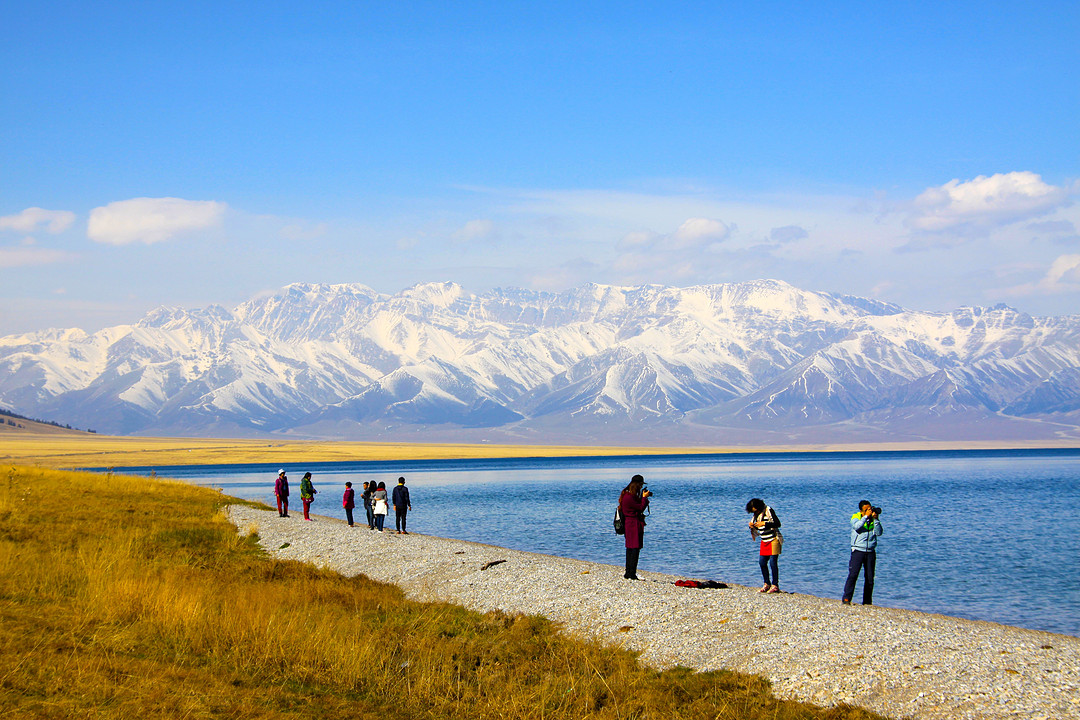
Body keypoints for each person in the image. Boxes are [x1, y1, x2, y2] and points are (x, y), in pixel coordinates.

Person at [843, 500, 884, 605]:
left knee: (870, 578)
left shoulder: (873, 520)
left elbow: (879, 533)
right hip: (858, 550)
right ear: (861, 511)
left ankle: (867, 602)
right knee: (853, 575)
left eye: (870, 509)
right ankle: (847, 599)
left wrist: (876, 520)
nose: (869, 511)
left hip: (870, 551)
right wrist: (865, 517)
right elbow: (856, 527)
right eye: (866, 510)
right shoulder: (855, 517)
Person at [618, 474, 652, 580]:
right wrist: (644, 498)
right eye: (641, 485)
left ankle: (630, 572)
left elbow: (638, 507)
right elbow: (640, 508)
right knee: (634, 549)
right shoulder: (629, 497)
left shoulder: (628, 495)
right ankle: (630, 573)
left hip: (632, 524)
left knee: (631, 548)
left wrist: (643, 497)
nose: (641, 487)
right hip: (633, 524)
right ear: (636, 484)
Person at [746, 498, 782, 593]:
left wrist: (764, 523)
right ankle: (767, 583)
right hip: (764, 540)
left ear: (759, 507)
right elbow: (756, 526)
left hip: (774, 539)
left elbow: (777, 524)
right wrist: (752, 526)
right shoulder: (756, 515)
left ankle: (775, 585)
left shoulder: (768, 510)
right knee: (762, 562)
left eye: (755, 510)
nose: (755, 512)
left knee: (773, 563)